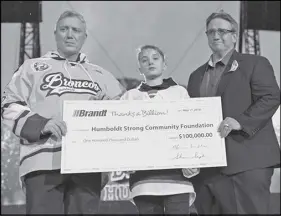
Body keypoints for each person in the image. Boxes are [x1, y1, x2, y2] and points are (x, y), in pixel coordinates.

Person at [1, 10, 125, 214]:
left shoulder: (102, 75)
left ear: (84, 36)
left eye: (76, 30)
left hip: (87, 164)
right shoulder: (32, 67)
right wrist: (41, 124)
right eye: (64, 29)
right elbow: (8, 105)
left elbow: (125, 113)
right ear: (55, 33)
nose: (70, 34)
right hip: (42, 161)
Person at [187, 11, 280, 214]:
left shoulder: (255, 63)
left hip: (247, 163)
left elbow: (271, 97)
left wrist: (241, 122)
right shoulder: (195, 76)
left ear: (234, 35)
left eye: (222, 30)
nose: (216, 35)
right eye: (211, 31)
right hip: (208, 171)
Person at [121, 44, 199, 215]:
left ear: (164, 64)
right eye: (144, 60)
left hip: (177, 178)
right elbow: (123, 135)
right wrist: (125, 160)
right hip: (144, 180)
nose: (150, 62)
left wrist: (193, 161)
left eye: (155, 58)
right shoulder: (129, 96)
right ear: (139, 67)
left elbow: (190, 129)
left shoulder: (179, 93)